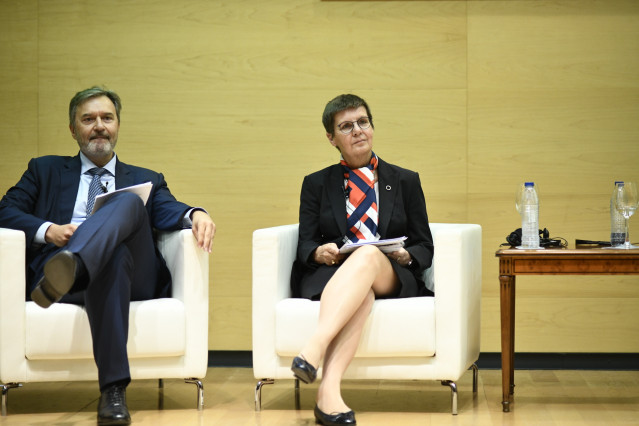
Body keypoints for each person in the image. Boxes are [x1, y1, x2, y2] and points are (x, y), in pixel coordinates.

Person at [0, 86, 216, 425]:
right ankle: (113, 391)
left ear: (117, 125)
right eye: (88, 119)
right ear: (73, 129)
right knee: (111, 260)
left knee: (128, 201)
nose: (99, 126)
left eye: (107, 118)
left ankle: (77, 262)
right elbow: (5, 211)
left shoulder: (146, 179)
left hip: (135, 277)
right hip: (59, 275)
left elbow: (168, 209)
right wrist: (49, 230)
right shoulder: (44, 170)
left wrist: (197, 214)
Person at [290, 94, 434, 426]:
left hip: (391, 272)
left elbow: (425, 243)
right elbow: (305, 243)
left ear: (372, 127)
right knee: (361, 294)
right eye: (346, 126)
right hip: (337, 274)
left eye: (363, 122)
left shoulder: (405, 180)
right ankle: (329, 395)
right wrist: (316, 252)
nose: (357, 131)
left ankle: (313, 347)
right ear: (331, 138)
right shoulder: (316, 184)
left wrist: (407, 254)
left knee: (368, 253)